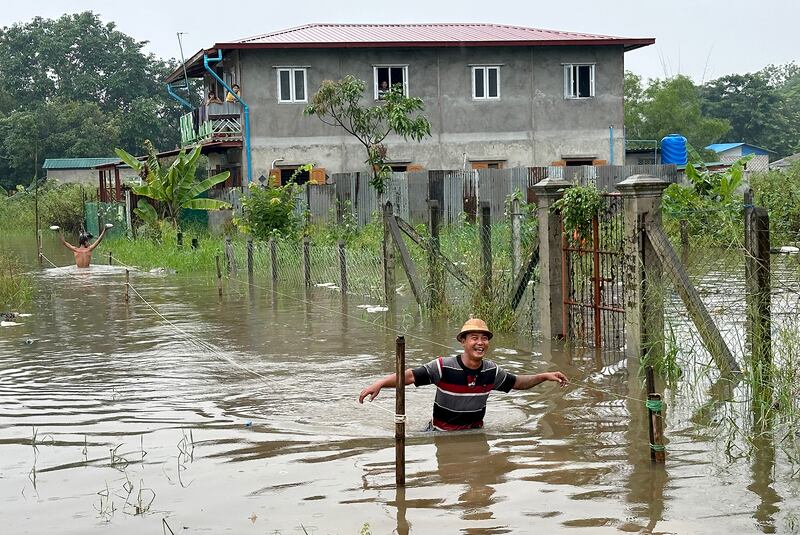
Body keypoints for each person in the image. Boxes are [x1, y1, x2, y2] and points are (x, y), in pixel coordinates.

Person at [358, 318, 568, 431]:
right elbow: (410, 376)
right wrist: (380, 384)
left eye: (484, 338)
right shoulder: (443, 367)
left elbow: (518, 383)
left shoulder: (491, 371)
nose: (480, 343)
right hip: (441, 433)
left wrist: (545, 375)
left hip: (475, 432)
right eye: (474, 338)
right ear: (463, 342)